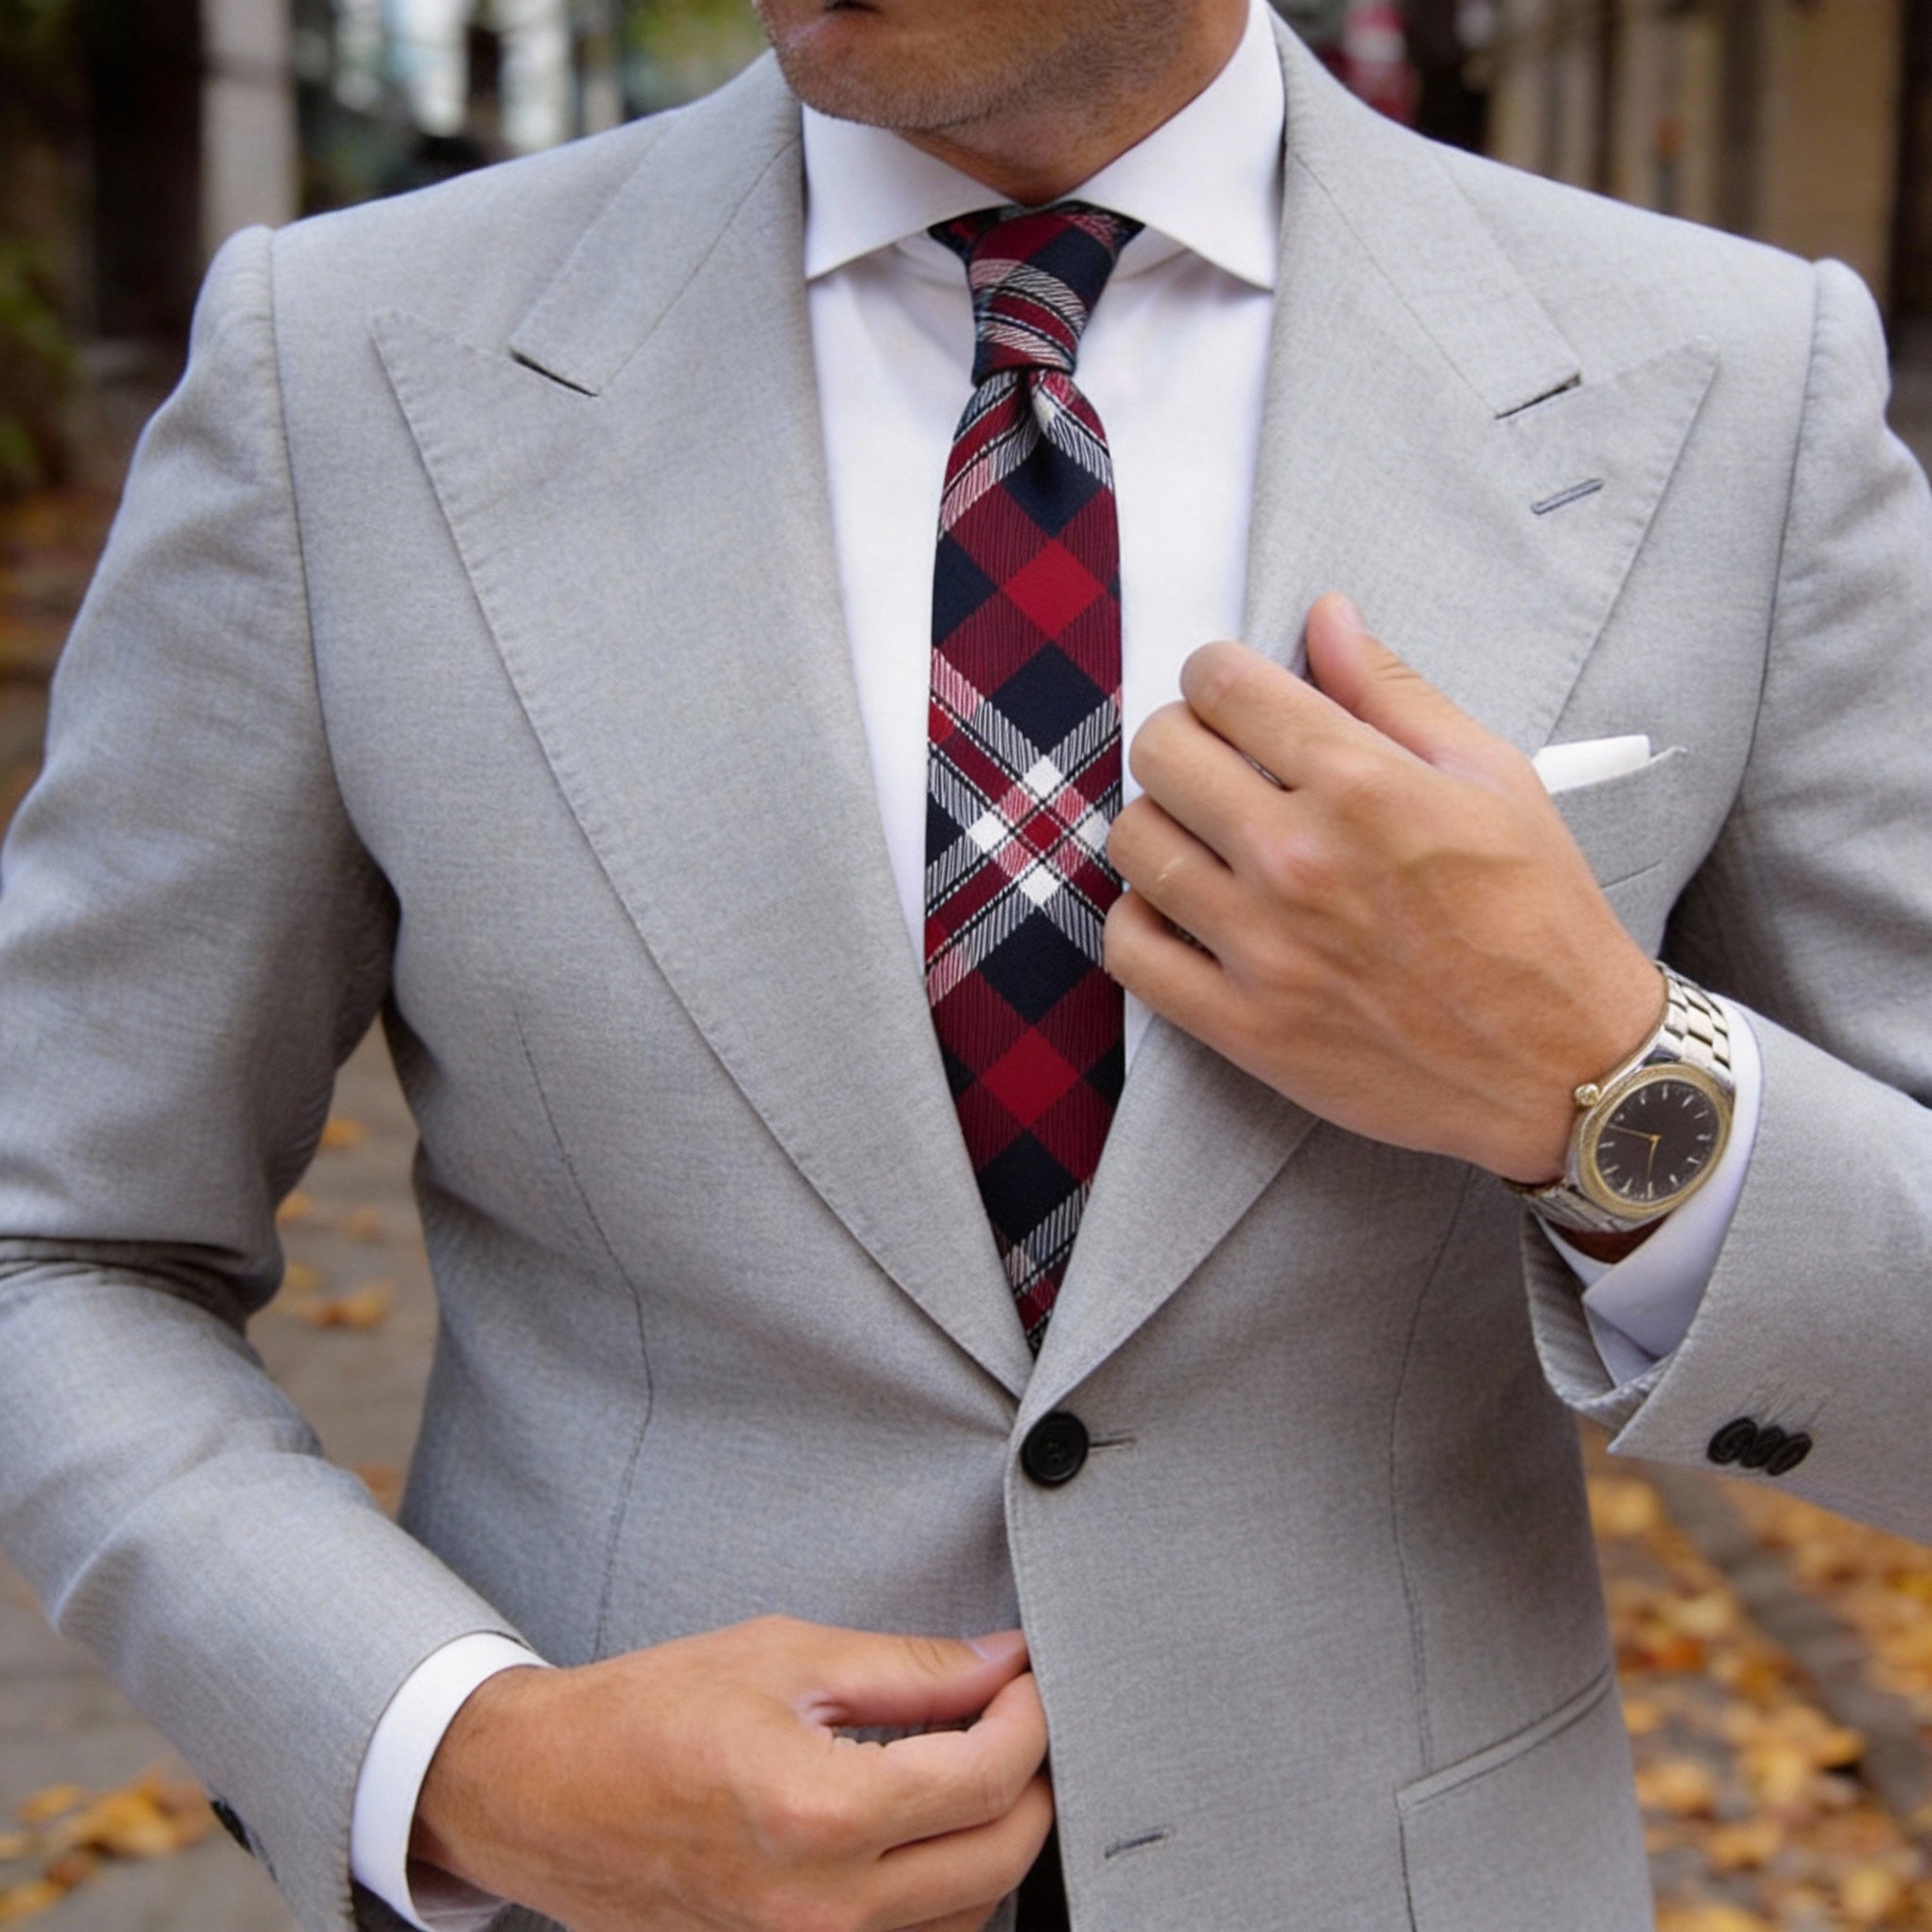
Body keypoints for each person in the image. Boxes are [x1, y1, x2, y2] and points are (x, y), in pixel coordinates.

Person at [0, 0, 1927, 1926]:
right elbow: (57, 1243)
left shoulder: (1730, 387)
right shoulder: (340, 366)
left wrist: (1607, 1082)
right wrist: (462, 1756)